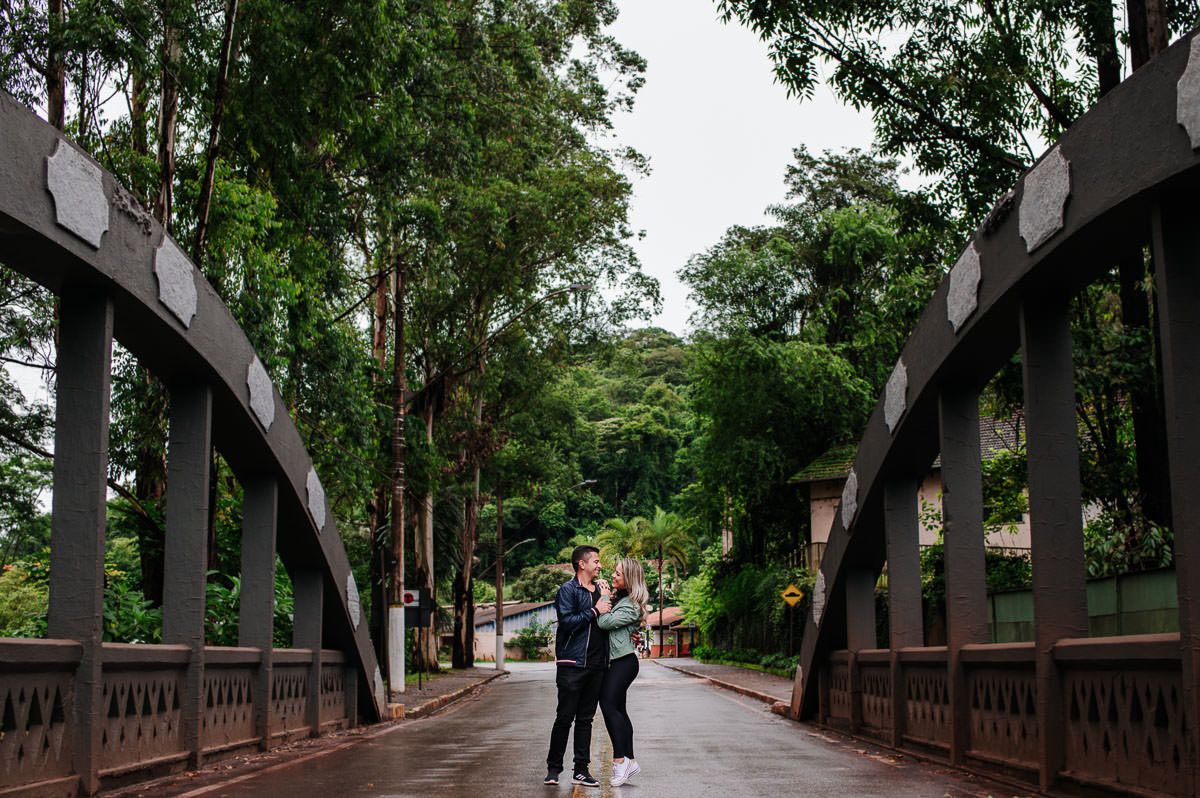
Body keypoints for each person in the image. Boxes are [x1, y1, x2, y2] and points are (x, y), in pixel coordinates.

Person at [544, 545, 610, 787]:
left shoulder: (600, 591)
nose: (599, 565)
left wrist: (605, 597)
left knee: (585, 720)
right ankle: (553, 769)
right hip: (572, 664)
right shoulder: (568, 590)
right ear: (582, 564)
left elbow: (608, 619)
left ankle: (581, 770)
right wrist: (594, 610)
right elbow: (567, 622)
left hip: (596, 666)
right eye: (596, 561)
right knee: (564, 718)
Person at [596, 557, 648, 787]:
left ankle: (620, 762)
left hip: (623, 662)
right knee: (618, 710)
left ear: (630, 578)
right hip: (617, 661)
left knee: (608, 706)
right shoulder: (622, 599)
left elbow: (604, 622)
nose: (613, 576)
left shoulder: (632, 605)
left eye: (618, 574)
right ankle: (630, 760)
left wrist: (604, 596)